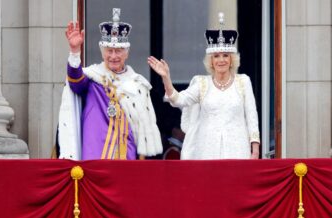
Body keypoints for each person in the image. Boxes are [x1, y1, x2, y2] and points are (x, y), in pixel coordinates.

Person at [148, 12, 260, 159]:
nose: (221, 60)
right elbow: (178, 100)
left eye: (225, 55)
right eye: (216, 56)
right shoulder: (201, 83)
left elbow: (252, 118)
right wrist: (166, 78)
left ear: (232, 60)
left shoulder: (243, 82)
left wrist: (255, 150)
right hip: (207, 151)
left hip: (237, 150)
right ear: (211, 61)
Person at [58, 8, 162, 160]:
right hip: (95, 157)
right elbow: (75, 82)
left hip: (127, 157)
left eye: (118, 51)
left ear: (126, 53)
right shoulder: (93, 78)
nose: (113, 56)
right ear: (102, 52)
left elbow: (144, 129)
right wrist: (74, 52)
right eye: (109, 51)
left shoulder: (137, 84)